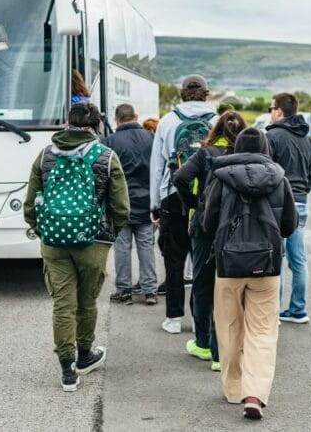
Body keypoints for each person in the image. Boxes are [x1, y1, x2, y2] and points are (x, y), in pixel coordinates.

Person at [24, 102, 130, 392]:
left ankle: (67, 370)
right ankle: (85, 354)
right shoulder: (106, 157)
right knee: (86, 302)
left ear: (67, 123)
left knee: (62, 303)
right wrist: (109, 236)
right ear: (95, 125)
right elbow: (121, 207)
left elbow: (31, 203)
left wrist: (43, 230)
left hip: (54, 242)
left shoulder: (45, 155)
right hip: (93, 241)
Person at [202, 128, 297, 420]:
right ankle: (254, 394)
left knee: (229, 326)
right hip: (266, 266)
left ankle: (233, 389)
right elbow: (290, 225)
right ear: (266, 147)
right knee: (263, 331)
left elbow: (207, 222)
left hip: (228, 265)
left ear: (237, 148)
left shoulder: (222, 176)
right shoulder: (279, 178)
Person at [173, 110, 245, 372]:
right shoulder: (245, 156)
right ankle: (223, 352)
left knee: (203, 285)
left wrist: (194, 203)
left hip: (205, 225)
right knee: (229, 288)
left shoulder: (205, 153)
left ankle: (203, 344)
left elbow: (180, 178)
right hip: (237, 227)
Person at [149, 74, 216, 334]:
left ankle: (174, 318)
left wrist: (154, 203)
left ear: (181, 94)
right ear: (206, 94)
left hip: (172, 196)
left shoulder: (167, 121)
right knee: (204, 260)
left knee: (174, 259)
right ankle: (202, 319)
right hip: (207, 199)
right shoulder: (218, 120)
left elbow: (157, 165)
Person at [266, 93, 311, 324]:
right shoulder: (307, 139)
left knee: (278, 257)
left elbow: (265, 172)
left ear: (279, 111)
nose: (270, 112)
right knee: (299, 259)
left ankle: (273, 312)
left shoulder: (272, 136)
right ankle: (298, 310)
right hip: (301, 201)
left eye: (270, 108)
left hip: (278, 203)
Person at [102, 104, 158, 305]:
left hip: (120, 204)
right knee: (146, 247)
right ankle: (150, 290)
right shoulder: (150, 138)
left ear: (117, 120)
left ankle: (124, 290)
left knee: (122, 249)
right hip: (147, 203)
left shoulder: (110, 141)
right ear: (136, 116)